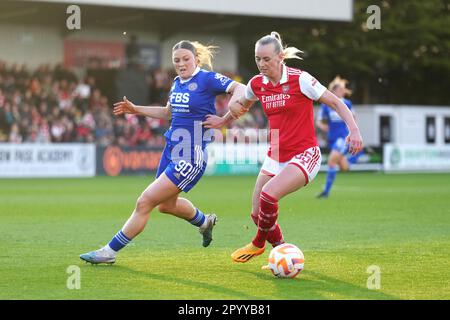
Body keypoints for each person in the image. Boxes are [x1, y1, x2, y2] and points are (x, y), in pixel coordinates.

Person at [80, 40, 245, 264]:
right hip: (171, 151)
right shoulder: (177, 82)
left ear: (196, 58)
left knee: (144, 202)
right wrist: (136, 109)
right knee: (166, 206)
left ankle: (109, 252)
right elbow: (168, 112)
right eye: (176, 60)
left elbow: (240, 89)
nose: (181, 63)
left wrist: (227, 116)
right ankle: (204, 222)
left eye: (186, 58)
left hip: (190, 154)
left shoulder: (206, 79)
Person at [225, 32, 363, 263]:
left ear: (280, 57)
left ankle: (258, 244)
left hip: (305, 154)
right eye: (257, 59)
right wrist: (222, 119)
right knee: (257, 213)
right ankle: (284, 253)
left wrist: (354, 130)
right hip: (276, 154)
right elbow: (243, 105)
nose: (261, 64)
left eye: (266, 59)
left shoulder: (301, 79)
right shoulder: (257, 84)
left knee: (269, 196)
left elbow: (335, 102)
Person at [316, 76, 365, 199]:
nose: (343, 91)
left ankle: (326, 192)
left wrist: (353, 132)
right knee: (344, 167)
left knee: (332, 161)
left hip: (343, 137)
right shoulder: (326, 105)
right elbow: (319, 121)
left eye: (343, 89)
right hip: (332, 138)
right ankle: (358, 155)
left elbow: (353, 118)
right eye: (340, 89)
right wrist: (324, 127)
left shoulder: (347, 103)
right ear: (334, 90)